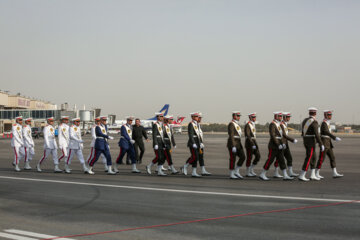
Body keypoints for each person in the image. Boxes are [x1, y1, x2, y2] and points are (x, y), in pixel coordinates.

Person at [259, 112, 293, 181]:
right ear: (276, 116)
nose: (281, 117)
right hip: (273, 146)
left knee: (282, 160)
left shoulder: (278, 124)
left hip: (279, 145)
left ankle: (285, 175)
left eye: (281, 116)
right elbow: (273, 135)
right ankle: (262, 174)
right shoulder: (272, 124)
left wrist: (283, 143)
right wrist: (278, 144)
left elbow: (282, 135)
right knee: (270, 160)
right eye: (279, 116)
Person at [315, 110, 343, 178]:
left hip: (328, 142)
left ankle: (334, 172)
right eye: (329, 115)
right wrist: (334, 137)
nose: (330, 116)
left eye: (331, 115)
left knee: (332, 157)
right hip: (324, 142)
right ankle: (316, 173)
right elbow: (326, 132)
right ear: (325, 115)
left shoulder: (327, 123)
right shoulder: (324, 123)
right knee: (322, 158)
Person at [299, 107, 324, 181]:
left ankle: (312, 174)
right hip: (311, 142)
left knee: (313, 157)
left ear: (309, 113)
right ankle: (302, 174)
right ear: (315, 113)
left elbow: (303, 132)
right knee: (309, 157)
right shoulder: (314, 121)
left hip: (306, 140)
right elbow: (317, 134)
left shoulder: (304, 120)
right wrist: (321, 143)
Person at [273, 112, 298, 177]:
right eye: (287, 117)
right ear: (284, 117)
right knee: (279, 159)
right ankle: (276, 172)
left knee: (289, 158)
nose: (289, 118)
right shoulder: (281, 124)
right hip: (282, 143)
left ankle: (290, 172)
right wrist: (292, 140)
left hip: (285, 143)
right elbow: (283, 135)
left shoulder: (284, 124)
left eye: (289, 117)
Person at [180, 113, 202, 177]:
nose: (197, 117)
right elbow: (191, 135)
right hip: (192, 143)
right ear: (192, 117)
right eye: (196, 116)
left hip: (197, 143)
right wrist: (193, 143)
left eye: (198, 116)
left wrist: (200, 142)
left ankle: (194, 172)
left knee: (196, 158)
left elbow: (199, 135)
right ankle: (185, 166)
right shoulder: (191, 124)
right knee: (195, 157)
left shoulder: (197, 124)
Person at [227, 111, 246, 179]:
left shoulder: (237, 124)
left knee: (243, 157)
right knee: (233, 159)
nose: (239, 117)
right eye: (238, 116)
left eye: (239, 116)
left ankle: (236, 170)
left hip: (238, 143)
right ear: (234, 116)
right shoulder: (231, 124)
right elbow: (231, 135)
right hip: (233, 143)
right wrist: (233, 146)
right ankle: (231, 173)